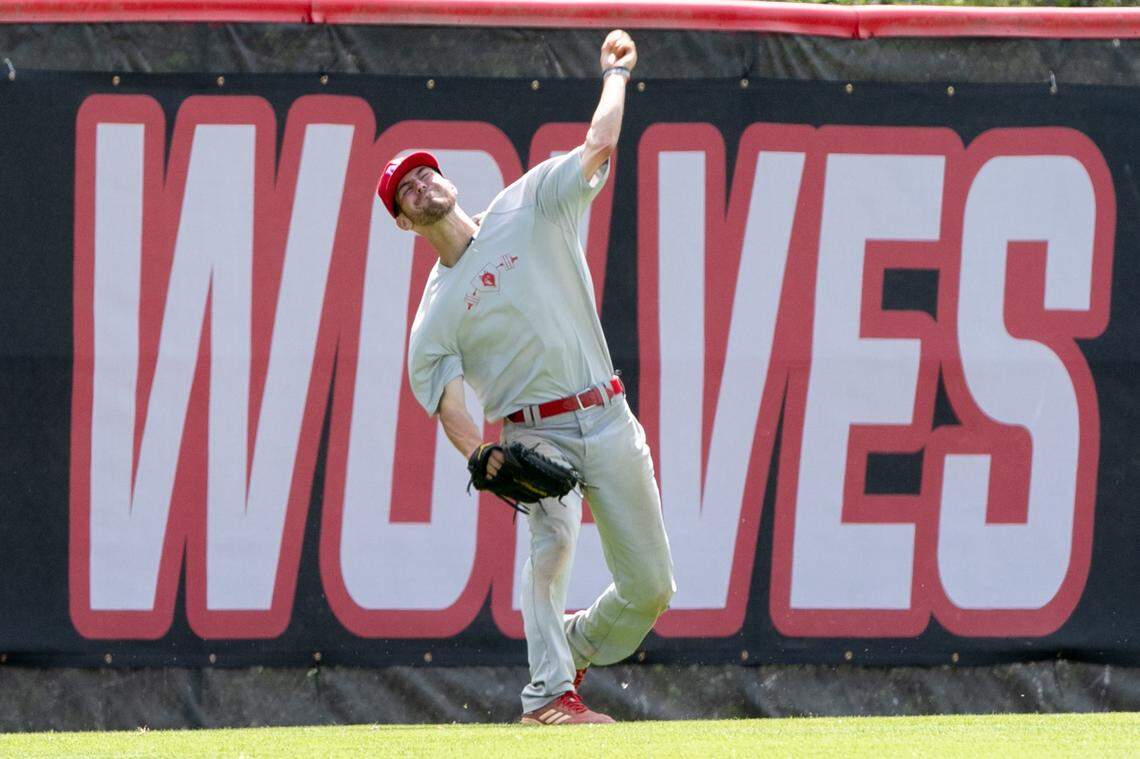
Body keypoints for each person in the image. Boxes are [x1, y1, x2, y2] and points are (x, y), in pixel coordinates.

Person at [376, 29, 674, 726]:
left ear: (446, 177)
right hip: (537, 433)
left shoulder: (531, 201)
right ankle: (547, 695)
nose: (421, 184)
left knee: (650, 589)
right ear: (401, 220)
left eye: (425, 172)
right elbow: (448, 402)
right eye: (406, 189)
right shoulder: (434, 317)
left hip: (609, 414)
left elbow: (599, 143)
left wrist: (615, 75)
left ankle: (571, 643)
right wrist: (479, 453)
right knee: (556, 538)